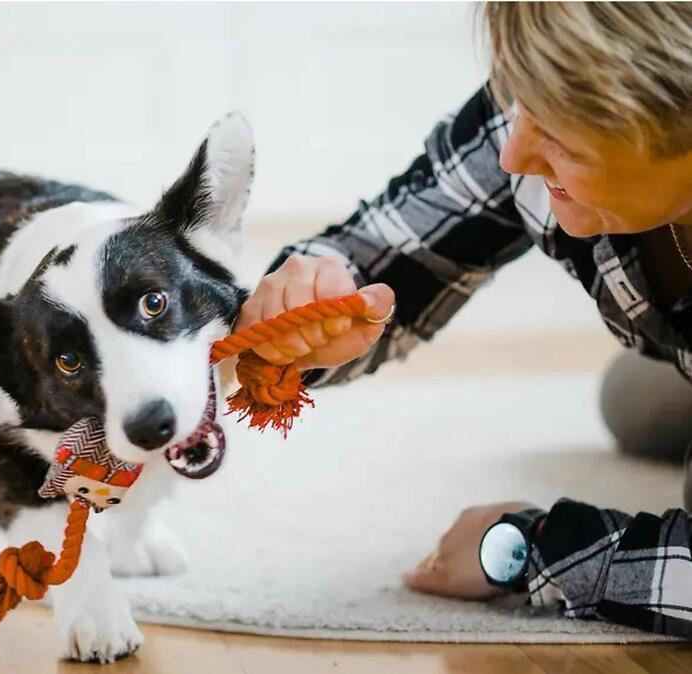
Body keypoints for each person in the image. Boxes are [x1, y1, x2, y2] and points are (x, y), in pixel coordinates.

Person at [237, 2, 692, 638]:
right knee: (633, 404)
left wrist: (527, 547)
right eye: (517, 94)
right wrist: (314, 295)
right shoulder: (527, 121)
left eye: (560, 129)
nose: (514, 152)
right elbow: (381, 250)